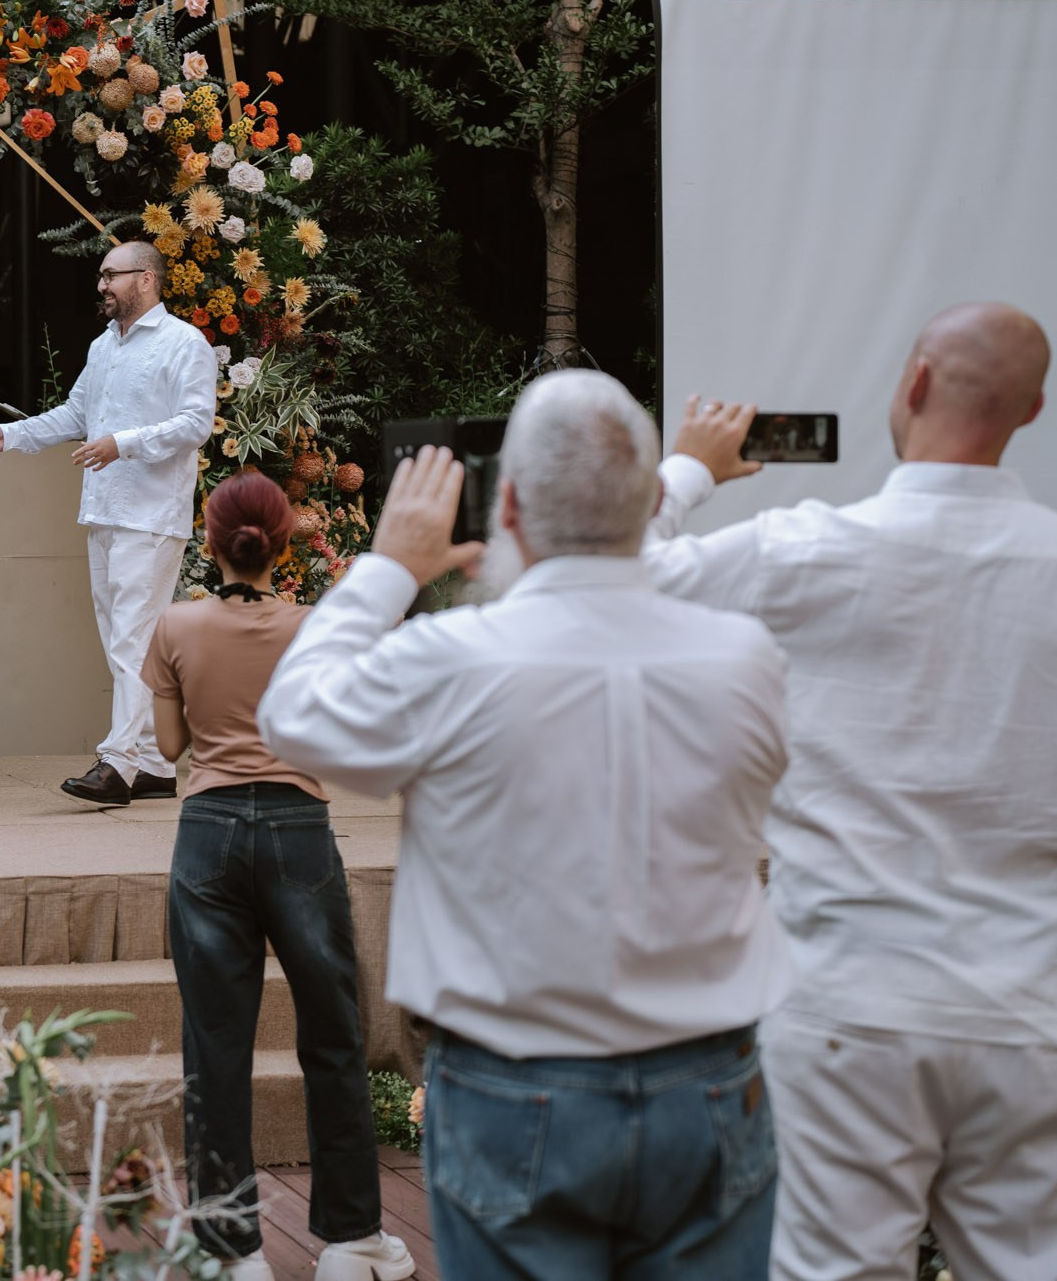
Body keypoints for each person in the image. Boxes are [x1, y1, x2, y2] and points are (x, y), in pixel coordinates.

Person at [262, 370, 796, 1278]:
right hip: (707, 1086)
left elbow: (295, 714)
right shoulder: (742, 659)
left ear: (504, 505)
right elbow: (629, 560)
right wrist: (681, 484)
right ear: (650, 505)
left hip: (516, 1091)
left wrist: (391, 562)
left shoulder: (454, 662)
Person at [646, 303, 1057, 1281]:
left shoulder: (803, 549)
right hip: (1045, 1012)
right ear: (1030, 411)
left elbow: (609, 584)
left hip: (846, 1002)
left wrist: (692, 463)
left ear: (910, 383)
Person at [141, 471, 415, 1281]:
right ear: (284, 539)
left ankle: (233, 1255)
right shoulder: (316, 629)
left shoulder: (175, 626)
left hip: (208, 835)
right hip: (300, 831)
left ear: (210, 537)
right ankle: (353, 1239)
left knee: (215, 1045)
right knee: (333, 1035)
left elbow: (165, 750)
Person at [0, 239, 217, 807]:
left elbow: (196, 424)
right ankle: (157, 765)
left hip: (151, 513)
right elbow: (75, 415)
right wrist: (8, 435)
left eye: (111, 275)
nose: (101, 285)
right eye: (100, 276)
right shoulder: (102, 346)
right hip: (104, 510)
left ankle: (118, 764)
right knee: (126, 641)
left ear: (147, 279)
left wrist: (124, 444)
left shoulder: (186, 343)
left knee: (132, 639)